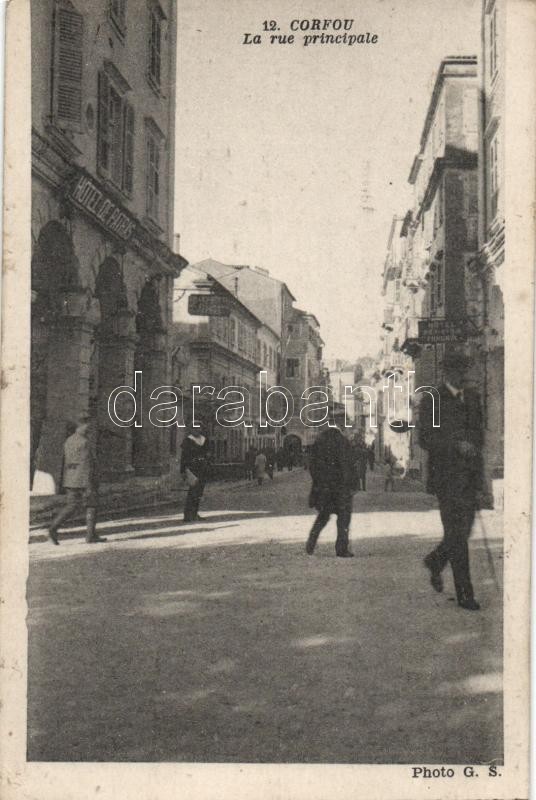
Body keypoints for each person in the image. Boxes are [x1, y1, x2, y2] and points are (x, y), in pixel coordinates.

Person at [418, 351, 484, 611]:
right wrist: (456, 445)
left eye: (463, 372)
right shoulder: (433, 400)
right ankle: (465, 594)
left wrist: (481, 479)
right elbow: (426, 438)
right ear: (446, 373)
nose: (461, 377)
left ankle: (436, 560)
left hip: (468, 477)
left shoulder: (473, 399)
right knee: (457, 535)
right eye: (457, 372)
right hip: (446, 477)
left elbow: (478, 437)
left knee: (462, 532)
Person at [48, 416, 106, 545]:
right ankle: (90, 536)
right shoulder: (84, 442)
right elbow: (88, 463)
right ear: (80, 426)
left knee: (71, 506)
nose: (89, 428)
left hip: (71, 479)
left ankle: (53, 529)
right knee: (92, 505)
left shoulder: (69, 440)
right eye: (87, 425)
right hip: (84, 479)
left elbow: (68, 461)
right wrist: (91, 482)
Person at [305, 425, 359, 558]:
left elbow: (312, 465)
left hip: (324, 488)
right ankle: (341, 549)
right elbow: (348, 465)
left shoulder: (320, 440)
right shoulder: (343, 441)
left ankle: (311, 543)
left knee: (323, 516)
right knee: (344, 518)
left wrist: (318, 482)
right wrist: (351, 484)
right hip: (341, 488)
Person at [181, 426, 210, 522]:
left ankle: (195, 513)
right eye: (195, 428)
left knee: (199, 493)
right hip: (192, 469)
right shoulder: (188, 441)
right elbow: (183, 457)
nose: (197, 430)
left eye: (199, 428)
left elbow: (208, 454)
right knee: (192, 492)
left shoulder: (204, 440)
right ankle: (188, 515)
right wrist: (183, 470)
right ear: (191, 429)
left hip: (202, 469)